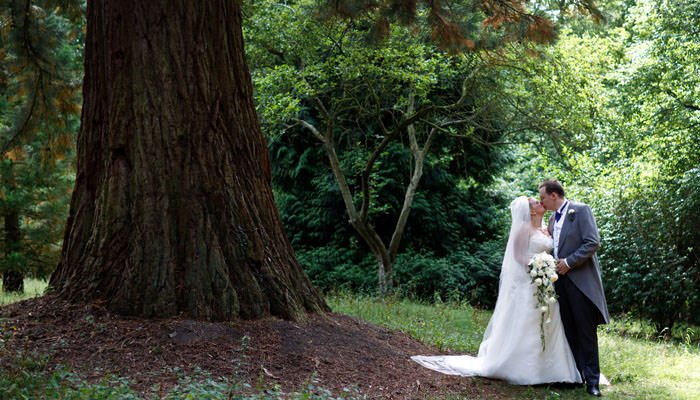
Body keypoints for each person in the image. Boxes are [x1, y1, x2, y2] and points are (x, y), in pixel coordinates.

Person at [411, 196, 582, 385]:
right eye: (535, 202)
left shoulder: (546, 228)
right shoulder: (524, 230)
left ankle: (554, 369)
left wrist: (547, 269)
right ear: (531, 211)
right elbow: (517, 257)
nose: (540, 203)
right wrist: (538, 267)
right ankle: (523, 367)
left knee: (549, 319)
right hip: (530, 281)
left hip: (546, 283)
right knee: (528, 320)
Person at [539, 179, 609, 397]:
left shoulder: (580, 210)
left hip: (581, 282)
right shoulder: (551, 220)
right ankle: (577, 374)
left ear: (553, 195)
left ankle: (593, 382)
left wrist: (569, 262)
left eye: (542, 197)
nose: (541, 201)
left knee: (585, 331)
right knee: (569, 329)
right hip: (559, 283)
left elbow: (592, 242)